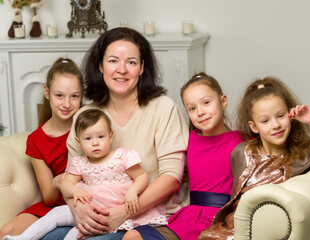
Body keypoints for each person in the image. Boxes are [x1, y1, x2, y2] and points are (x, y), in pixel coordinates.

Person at [41, 27, 189, 240]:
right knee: (48, 237)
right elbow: (71, 178)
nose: (122, 69)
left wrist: (123, 213)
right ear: (100, 65)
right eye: (113, 61)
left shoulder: (163, 108)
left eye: (131, 62)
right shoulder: (85, 116)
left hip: (154, 220)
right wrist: (79, 210)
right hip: (96, 214)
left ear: (141, 68)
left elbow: (172, 177)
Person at [197, 76, 310, 239]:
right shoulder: (241, 152)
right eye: (265, 120)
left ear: (290, 115)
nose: (275, 125)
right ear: (254, 126)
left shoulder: (307, 153)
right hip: (224, 232)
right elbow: (235, 200)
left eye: (280, 116)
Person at [3, 109, 168, 240]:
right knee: (56, 215)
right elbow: (66, 183)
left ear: (111, 137)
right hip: (87, 210)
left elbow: (141, 176)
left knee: (78, 234)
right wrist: (75, 191)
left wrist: (134, 191)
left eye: (100, 136)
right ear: (78, 141)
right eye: (88, 138)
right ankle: (22, 237)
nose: (95, 143)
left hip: (113, 211)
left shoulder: (122, 156)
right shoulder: (80, 163)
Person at [123, 72, 247, 240]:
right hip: (190, 219)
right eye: (192, 108)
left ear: (223, 101)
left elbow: (281, 148)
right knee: (132, 236)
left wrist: (296, 121)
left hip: (223, 220)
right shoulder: (189, 140)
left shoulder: (243, 140)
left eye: (206, 103)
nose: (201, 112)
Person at [0, 57, 84, 239]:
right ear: (47, 92)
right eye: (59, 95)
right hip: (55, 204)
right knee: (6, 231)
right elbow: (49, 198)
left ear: (82, 95)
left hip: (85, 197)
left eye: (74, 96)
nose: (67, 104)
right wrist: (57, 182)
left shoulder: (89, 127)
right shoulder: (36, 140)